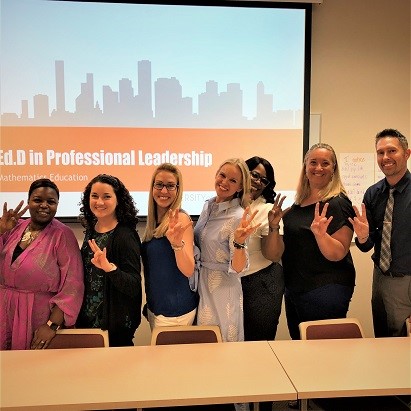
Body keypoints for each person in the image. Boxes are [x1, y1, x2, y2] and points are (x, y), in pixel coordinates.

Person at [281, 143, 356, 341]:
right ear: (305, 168)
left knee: (324, 354)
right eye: (313, 162)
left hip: (325, 289)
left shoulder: (339, 203)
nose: (318, 168)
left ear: (334, 170)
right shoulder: (297, 205)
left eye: (325, 163)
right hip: (295, 289)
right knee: (301, 350)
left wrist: (321, 235)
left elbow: (338, 252)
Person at [0, 179, 84, 350]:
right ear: (29, 201)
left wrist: (51, 325)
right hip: (4, 311)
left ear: (57, 205)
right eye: (38, 200)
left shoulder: (63, 235)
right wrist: (1, 230)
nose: (44, 205)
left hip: (37, 317)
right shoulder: (14, 227)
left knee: (32, 370)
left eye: (51, 202)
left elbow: (73, 284)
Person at [349, 129, 411, 337]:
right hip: (383, 279)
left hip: (408, 278)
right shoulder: (373, 194)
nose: (385, 158)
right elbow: (367, 245)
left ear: (407, 154)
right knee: (384, 340)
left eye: (392, 151)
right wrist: (363, 236)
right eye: (380, 152)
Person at [194, 158, 258, 344]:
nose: (224, 182)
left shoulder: (239, 217)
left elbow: (239, 269)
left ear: (240, 187)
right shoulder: (208, 206)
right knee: (203, 345)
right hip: (202, 284)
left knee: (223, 345)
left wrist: (239, 243)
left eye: (233, 180)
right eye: (222, 175)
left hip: (223, 290)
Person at [76, 174, 142, 347]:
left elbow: (134, 285)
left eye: (107, 196)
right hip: (88, 323)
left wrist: (110, 268)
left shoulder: (125, 235)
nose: (99, 202)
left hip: (115, 327)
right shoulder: (91, 230)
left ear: (118, 200)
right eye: (94, 196)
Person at [141, 163, 198, 330]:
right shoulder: (154, 222)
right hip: (158, 310)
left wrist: (176, 245)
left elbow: (188, 270)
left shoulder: (180, 219)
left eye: (170, 186)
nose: (164, 191)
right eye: (159, 184)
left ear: (178, 190)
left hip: (175, 312)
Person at [242, 156, 286, 342]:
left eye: (264, 180)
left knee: (258, 345)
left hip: (262, 284)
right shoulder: (223, 205)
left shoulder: (267, 210)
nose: (258, 181)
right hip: (229, 283)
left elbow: (273, 255)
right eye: (254, 174)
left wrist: (274, 226)